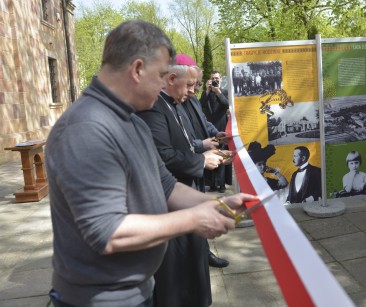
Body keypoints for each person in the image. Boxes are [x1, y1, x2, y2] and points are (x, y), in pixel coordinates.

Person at [45, 20, 255, 307]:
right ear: (137, 69)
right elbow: (107, 233)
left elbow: (166, 186)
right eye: (160, 76)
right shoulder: (86, 129)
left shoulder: (132, 122)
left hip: (138, 289)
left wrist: (219, 206)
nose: (164, 85)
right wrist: (194, 219)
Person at [136, 56, 234, 307]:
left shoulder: (176, 104)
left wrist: (207, 153)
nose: (193, 91)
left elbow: (188, 141)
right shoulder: (154, 106)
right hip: (170, 199)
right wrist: (201, 161)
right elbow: (163, 155)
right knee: (176, 276)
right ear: (171, 79)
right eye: (190, 85)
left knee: (194, 266)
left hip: (185, 190)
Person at [181, 63, 231, 268]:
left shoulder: (190, 100)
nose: (194, 90)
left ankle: (204, 252)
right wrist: (201, 145)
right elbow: (178, 141)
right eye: (191, 84)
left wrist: (216, 133)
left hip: (199, 161)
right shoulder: (174, 104)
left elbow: (204, 122)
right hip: (187, 166)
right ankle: (199, 254)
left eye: (199, 85)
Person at [200, 71, 231, 193]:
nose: (214, 81)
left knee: (222, 155)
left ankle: (222, 184)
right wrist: (207, 91)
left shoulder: (223, 92)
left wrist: (218, 91)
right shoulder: (206, 93)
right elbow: (200, 105)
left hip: (221, 127)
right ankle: (212, 183)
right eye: (212, 79)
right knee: (211, 154)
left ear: (221, 80)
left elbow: (227, 104)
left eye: (217, 79)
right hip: (208, 128)